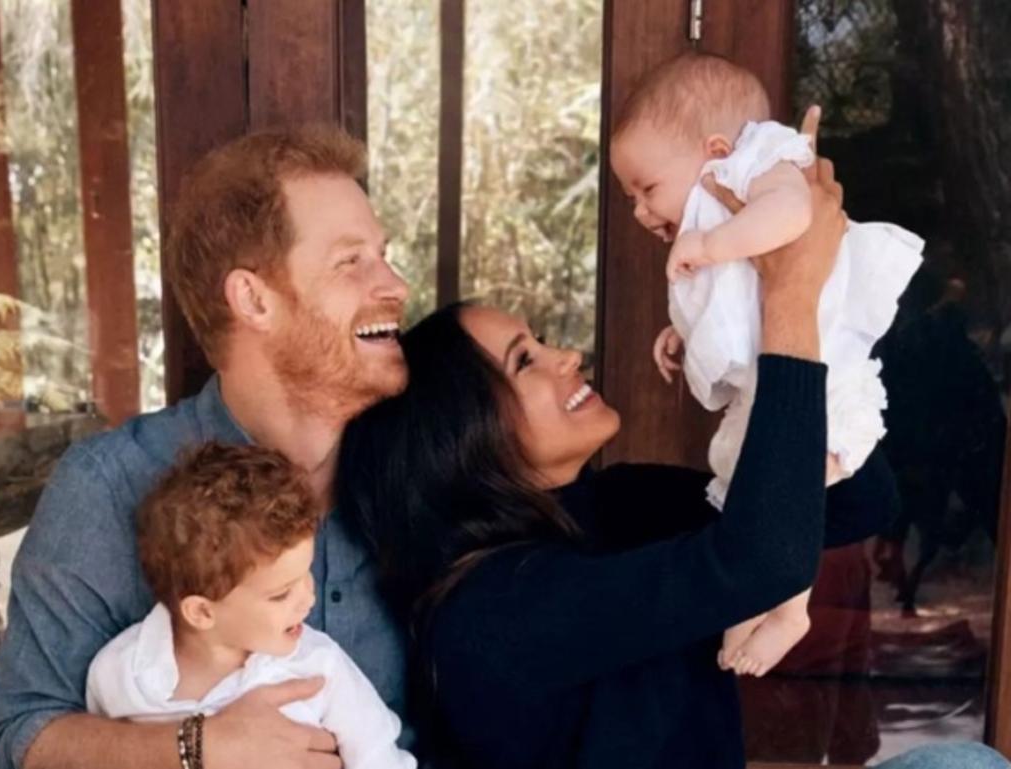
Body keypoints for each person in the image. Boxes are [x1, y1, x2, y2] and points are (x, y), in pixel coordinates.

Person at [338, 152, 1008, 768]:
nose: (564, 356)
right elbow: (763, 561)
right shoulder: (491, 612)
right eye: (525, 361)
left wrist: (750, 369)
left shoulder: (620, 504)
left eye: (541, 340)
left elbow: (857, 503)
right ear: (461, 438)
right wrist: (788, 301)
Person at [0, 125, 410, 769]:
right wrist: (195, 747)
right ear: (252, 299)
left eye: (383, 254)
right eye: (352, 261)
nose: (396, 284)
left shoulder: (416, 473)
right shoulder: (108, 486)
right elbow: (19, 733)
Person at [608, 52, 923, 676]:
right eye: (630, 198)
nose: (642, 212)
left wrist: (711, 243)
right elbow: (739, 300)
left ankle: (789, 608)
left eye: (648, 189)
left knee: (789, 487)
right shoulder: (718, 210)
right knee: (744, 482)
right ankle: (755, 598)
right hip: (776, 376)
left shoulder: (763, 163)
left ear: (717, 149)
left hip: (824, 374)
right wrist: (682, 332)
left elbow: (793, 216)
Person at [86, 442, 415, 769]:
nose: (309, 599)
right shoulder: (120, 674)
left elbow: (377, 753)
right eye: (281, 594)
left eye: (306, 575)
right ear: (202, 612)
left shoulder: (317, 665)